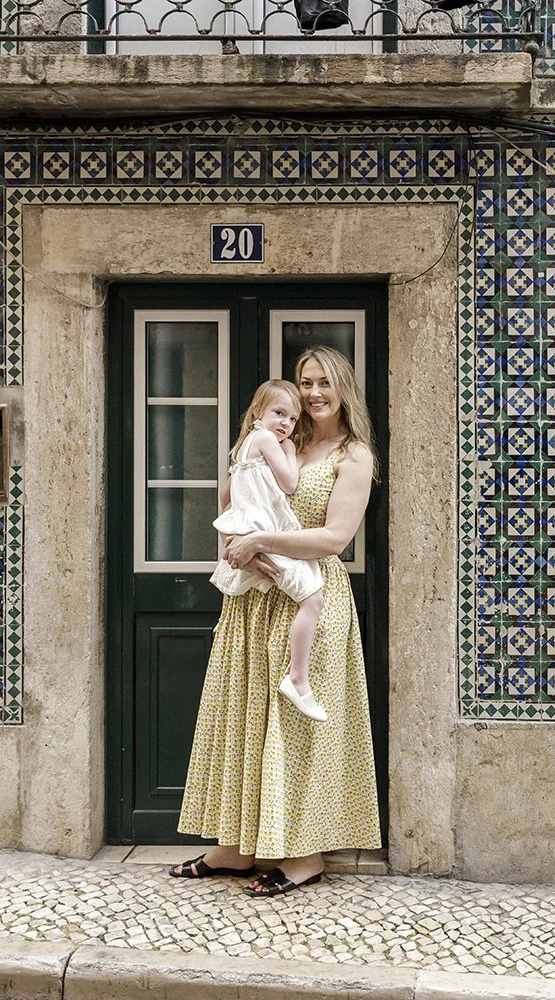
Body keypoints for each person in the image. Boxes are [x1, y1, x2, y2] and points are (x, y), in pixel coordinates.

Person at [170, 346, 382, 897]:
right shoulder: (282, 438)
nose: (313, 393)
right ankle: (237, 848)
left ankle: (306, 855)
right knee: (244, 716)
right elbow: (236, 496)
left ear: (343, 388)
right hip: (255, 598)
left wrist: (261, 540)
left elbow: (334, 538)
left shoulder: (354, 456)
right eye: (305, 383)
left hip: (310, 595)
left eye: (324, 383)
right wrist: (235, 543)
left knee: (296, 725)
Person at [210, 379, 328, 721]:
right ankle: (298, 679)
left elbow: (224, 496)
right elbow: (289, 482)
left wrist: (234, 530)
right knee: (313, 600)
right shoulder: (264, 439)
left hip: (251, 531)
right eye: (279, 413)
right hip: (264, 533)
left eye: (292, 419)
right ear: (257, 412)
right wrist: (289, 450)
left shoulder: (243, 448)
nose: (286, 424)